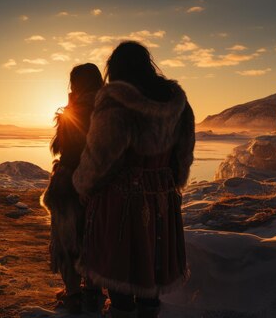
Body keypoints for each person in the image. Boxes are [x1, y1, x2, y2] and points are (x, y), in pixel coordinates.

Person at [72, 41, 195, 318]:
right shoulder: (178, 102)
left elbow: (100, 155)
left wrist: (84, 184)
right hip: (162, 198)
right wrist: (170, 180)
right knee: (151, 269)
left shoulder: (116, 100)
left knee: (121, 271)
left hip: (120, 199)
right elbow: (184, 154)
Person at [41, 63, 105, 314]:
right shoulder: (108, 107)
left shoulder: (76, 109)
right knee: (95, 237)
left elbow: (63, 148)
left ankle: (74, 293)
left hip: (71, 181)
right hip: (101, 182)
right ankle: (94, 291)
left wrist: (69, 108)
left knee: (68, 238)